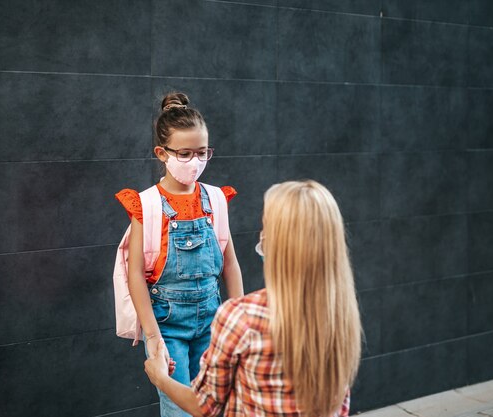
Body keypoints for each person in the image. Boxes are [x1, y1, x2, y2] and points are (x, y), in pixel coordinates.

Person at [144, 180, 362, 417]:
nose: (261, 235)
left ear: (278, 244)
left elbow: (204, 405)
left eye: (266, 227)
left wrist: (160, 377)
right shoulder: (341, 317)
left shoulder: (242, 318)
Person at [115, 92, 244, 417]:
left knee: (216, 404)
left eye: (202, 153)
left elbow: (229, 262)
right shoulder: (145, 205)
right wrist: (153, 337)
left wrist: (239, 319)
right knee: (179, 409)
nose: (195, 161)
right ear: (162, 153)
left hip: (213, 322)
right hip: (167, 327)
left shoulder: (216, 199)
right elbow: (135, 277)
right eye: (184, 154)